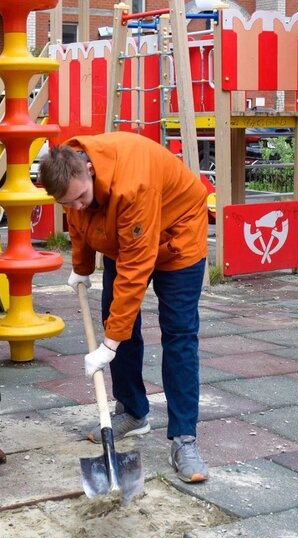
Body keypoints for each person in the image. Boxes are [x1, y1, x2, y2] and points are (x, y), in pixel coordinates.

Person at [38, 132, 209, 484]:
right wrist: (81, 268)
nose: (77, 206)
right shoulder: (73, 182)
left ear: (89, 169)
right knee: (117, 321)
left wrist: (109, 344)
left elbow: (135, 271)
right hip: (125, 237)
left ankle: (184, 439)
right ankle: (132, 411)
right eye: (68, 203)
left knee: (178, 333)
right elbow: (79, 224)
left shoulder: (134, 185)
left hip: (177, 234)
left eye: (82, 197)